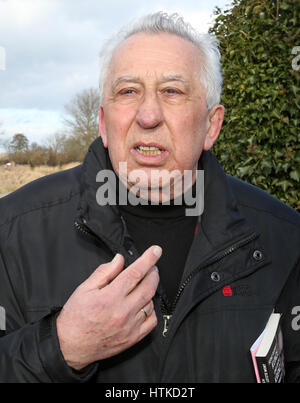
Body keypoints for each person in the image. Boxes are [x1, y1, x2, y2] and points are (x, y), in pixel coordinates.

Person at [0, 11, 299, 383]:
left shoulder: (285, 237)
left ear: (212, 125)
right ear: (104, 123)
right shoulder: (11, 231)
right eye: (129, 91)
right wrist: (60, 348)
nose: (148, 115)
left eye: (172, 91)